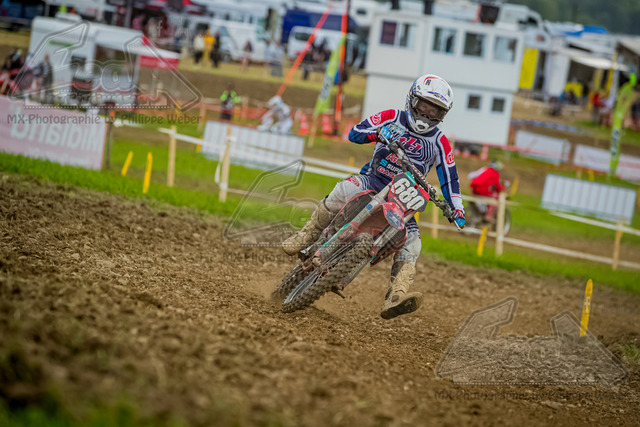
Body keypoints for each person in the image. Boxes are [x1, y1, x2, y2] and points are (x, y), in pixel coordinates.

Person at [281, 74, 466, 320]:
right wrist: (378, 134)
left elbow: (450, 179)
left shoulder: (440, 141)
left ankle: (396, 295)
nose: (427, 115)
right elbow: (355, 132)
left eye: (435, 112)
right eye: (424, 107)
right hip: (373, 181)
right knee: (342, 191)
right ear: (412, 100)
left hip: (404, 200)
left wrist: (457, 209)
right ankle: (307, 234)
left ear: (443, 114)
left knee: (413, 244)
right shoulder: (392, 117)